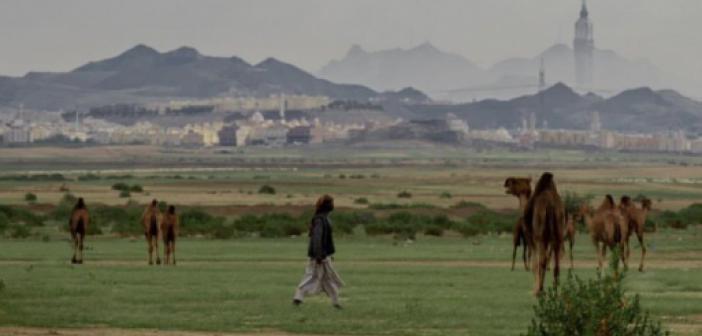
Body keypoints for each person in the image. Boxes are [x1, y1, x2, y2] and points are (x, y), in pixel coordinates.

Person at [293, 195, 344, 309]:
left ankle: (336, 302)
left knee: (328, 278)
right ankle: (298, 297)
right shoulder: (320, 220)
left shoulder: (323, 219)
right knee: (311, 276)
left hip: (324, 255)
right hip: (319, 256)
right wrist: (318, 255)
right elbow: (317, 238)